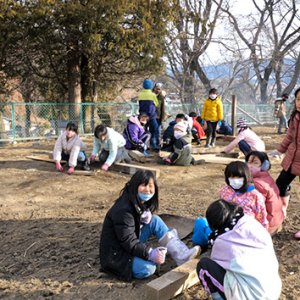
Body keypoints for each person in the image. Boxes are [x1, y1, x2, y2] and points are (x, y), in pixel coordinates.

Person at [99, 170, 200, 281]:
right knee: (148, 268)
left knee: (155, 220)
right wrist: (149, 253)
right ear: (134, 185)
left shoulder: (137, 201)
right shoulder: (123, 210)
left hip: (127, 242)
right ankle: (145, 258)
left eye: (151, 186)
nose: (147, 190)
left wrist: (142, 217)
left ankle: (182, 255)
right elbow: (128, 241)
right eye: (143, 185)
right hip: (116, 254)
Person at [197, 199, 282, 300]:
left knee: (204, 265)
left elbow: (217, 262)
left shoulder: (222, 240)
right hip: (272, 291)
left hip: (251, 296)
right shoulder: (251, 223)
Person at [219, 161, 268, 229]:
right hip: (227, 228)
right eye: (231, 177)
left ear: (246, 176)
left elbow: (262, 218)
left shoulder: (255, 196)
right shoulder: (225, 191)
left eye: (239, 177)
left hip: (247, 230)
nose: (235, 180)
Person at [275, 87, 300, 217]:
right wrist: (279, 150)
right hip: (292, 159)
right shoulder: (295, 116)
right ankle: (281, 211)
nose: (299, 102)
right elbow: (289, 136)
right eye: (298, 99)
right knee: (279, 185)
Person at [245, 151, 284, 235]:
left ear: (264, 166)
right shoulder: (265, 176)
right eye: (249, 162)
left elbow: (255, 208)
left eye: (255, 163)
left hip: (268, 226)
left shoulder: (257, 184)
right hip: (277, 220)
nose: (250, 166)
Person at [139, 79, 160, 150]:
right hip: (151, 116)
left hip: (142, 116)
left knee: (143, 130)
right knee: (155, 129)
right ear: (151, 86)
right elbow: (156, 104)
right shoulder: (152, 95)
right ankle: (153, 144)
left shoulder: (140, 94)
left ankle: (142, 144)